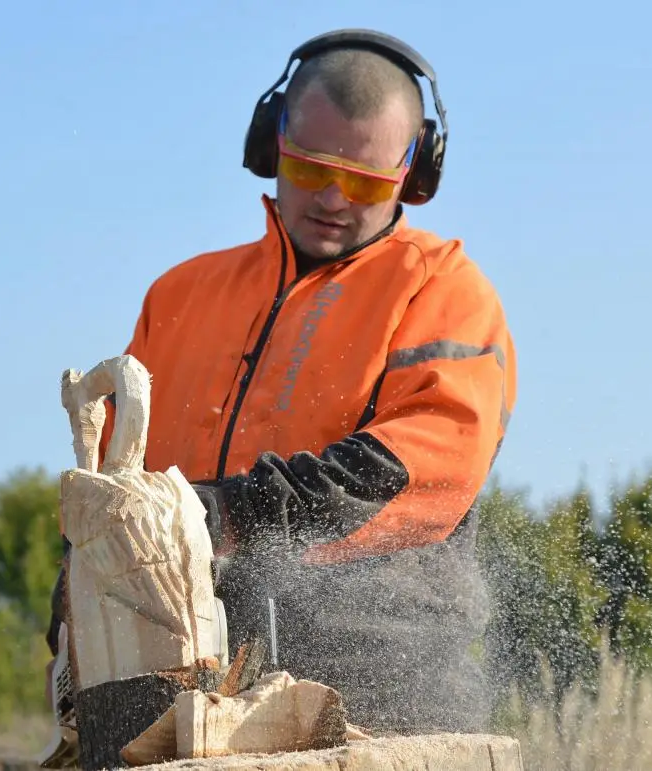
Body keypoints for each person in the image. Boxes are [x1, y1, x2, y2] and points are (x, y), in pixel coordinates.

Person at [46, 28, 517, 736]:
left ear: (414, 174)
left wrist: (223, 515)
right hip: (178, 691)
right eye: (310, 168)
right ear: (273, 144)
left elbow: (407, 472)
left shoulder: (444, 291)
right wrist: (82, 571)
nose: (332, 197)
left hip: (380, 699)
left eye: (364, 181)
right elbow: (116, 486)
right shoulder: (179, 296)